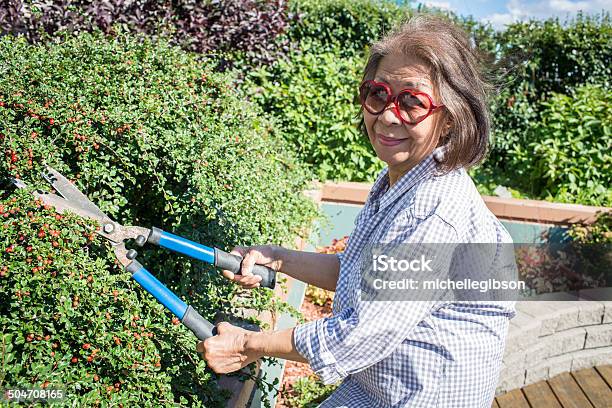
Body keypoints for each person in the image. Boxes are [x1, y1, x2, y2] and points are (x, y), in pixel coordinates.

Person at [197, 14, 516, 408]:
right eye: (378, 94)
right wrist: (278, 258)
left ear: (449, 119)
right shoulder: (402, 180)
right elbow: (362, 272)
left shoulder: (435, 214)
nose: (387, 115)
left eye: (412, 102)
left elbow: (359, 334)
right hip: (378, 388)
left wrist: (249, 343)